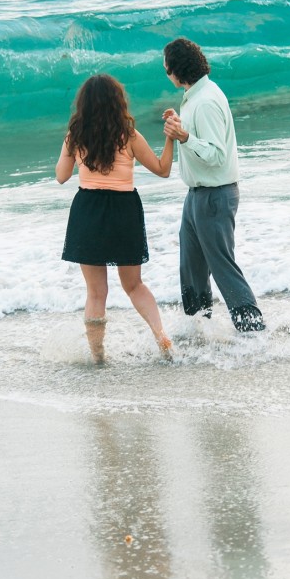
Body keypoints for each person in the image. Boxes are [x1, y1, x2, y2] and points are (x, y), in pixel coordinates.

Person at [56, 73, 174, 362]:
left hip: (89, 211)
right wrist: (170, 139)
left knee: (96, 293)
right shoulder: (130, 135)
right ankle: (163, 339)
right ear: (117, 102)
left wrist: (70, 146)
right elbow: (163, 169)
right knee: (134, 285)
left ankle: (98, 356)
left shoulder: (76, 135)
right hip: (124, 210)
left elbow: (61, 176)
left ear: (83, 104)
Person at [162, 37, 265, 333]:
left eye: (166, 68)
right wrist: (181, 125)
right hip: (197, 194)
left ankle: (253, 329)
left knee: (221, 265)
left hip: (214, 195)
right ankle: (197, 329)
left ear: (176, 70)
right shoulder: (196, 96)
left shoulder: (205, 101)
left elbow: (216, 155)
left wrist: (183, 137)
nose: (165, 72)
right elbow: (203, 140)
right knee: (191, 266)